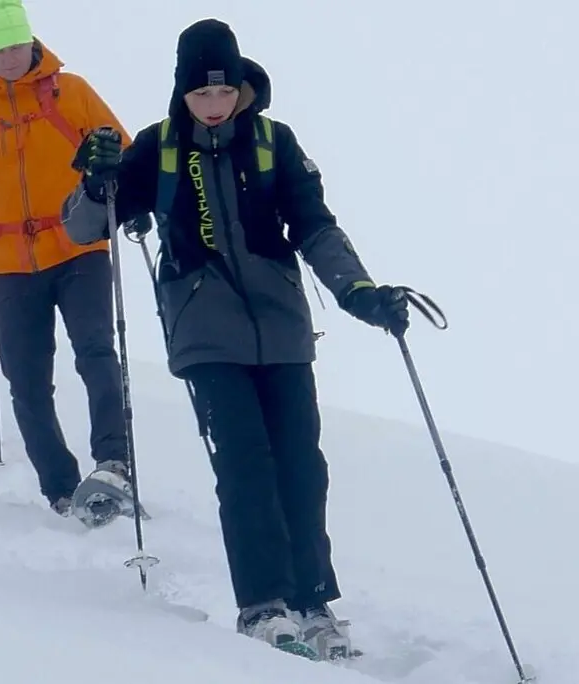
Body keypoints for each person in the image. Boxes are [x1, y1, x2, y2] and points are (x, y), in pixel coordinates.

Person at [60, 18, 410, 660]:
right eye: (201, 95)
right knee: (245, 465)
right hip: (204, 334)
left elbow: (316, 228)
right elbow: (87, 225)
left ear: (241, 86)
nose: (215, 106)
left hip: (281, 330)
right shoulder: (157, 147)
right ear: (182, 93)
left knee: (303, 467)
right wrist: (92, 179)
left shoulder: (275, 143)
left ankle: (313, 602)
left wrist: (359, 292)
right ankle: (262, 606)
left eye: (224, 93)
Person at [0, 0, 147, 528]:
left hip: (79, 247)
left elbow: (123, 156)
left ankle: (114, 466)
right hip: (9, 261)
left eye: (15, 45)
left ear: (31, 41)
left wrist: (109, 167)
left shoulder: (72, 91)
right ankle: (60, 490)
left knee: (97, 354)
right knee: (26, 379)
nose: (9, 58)